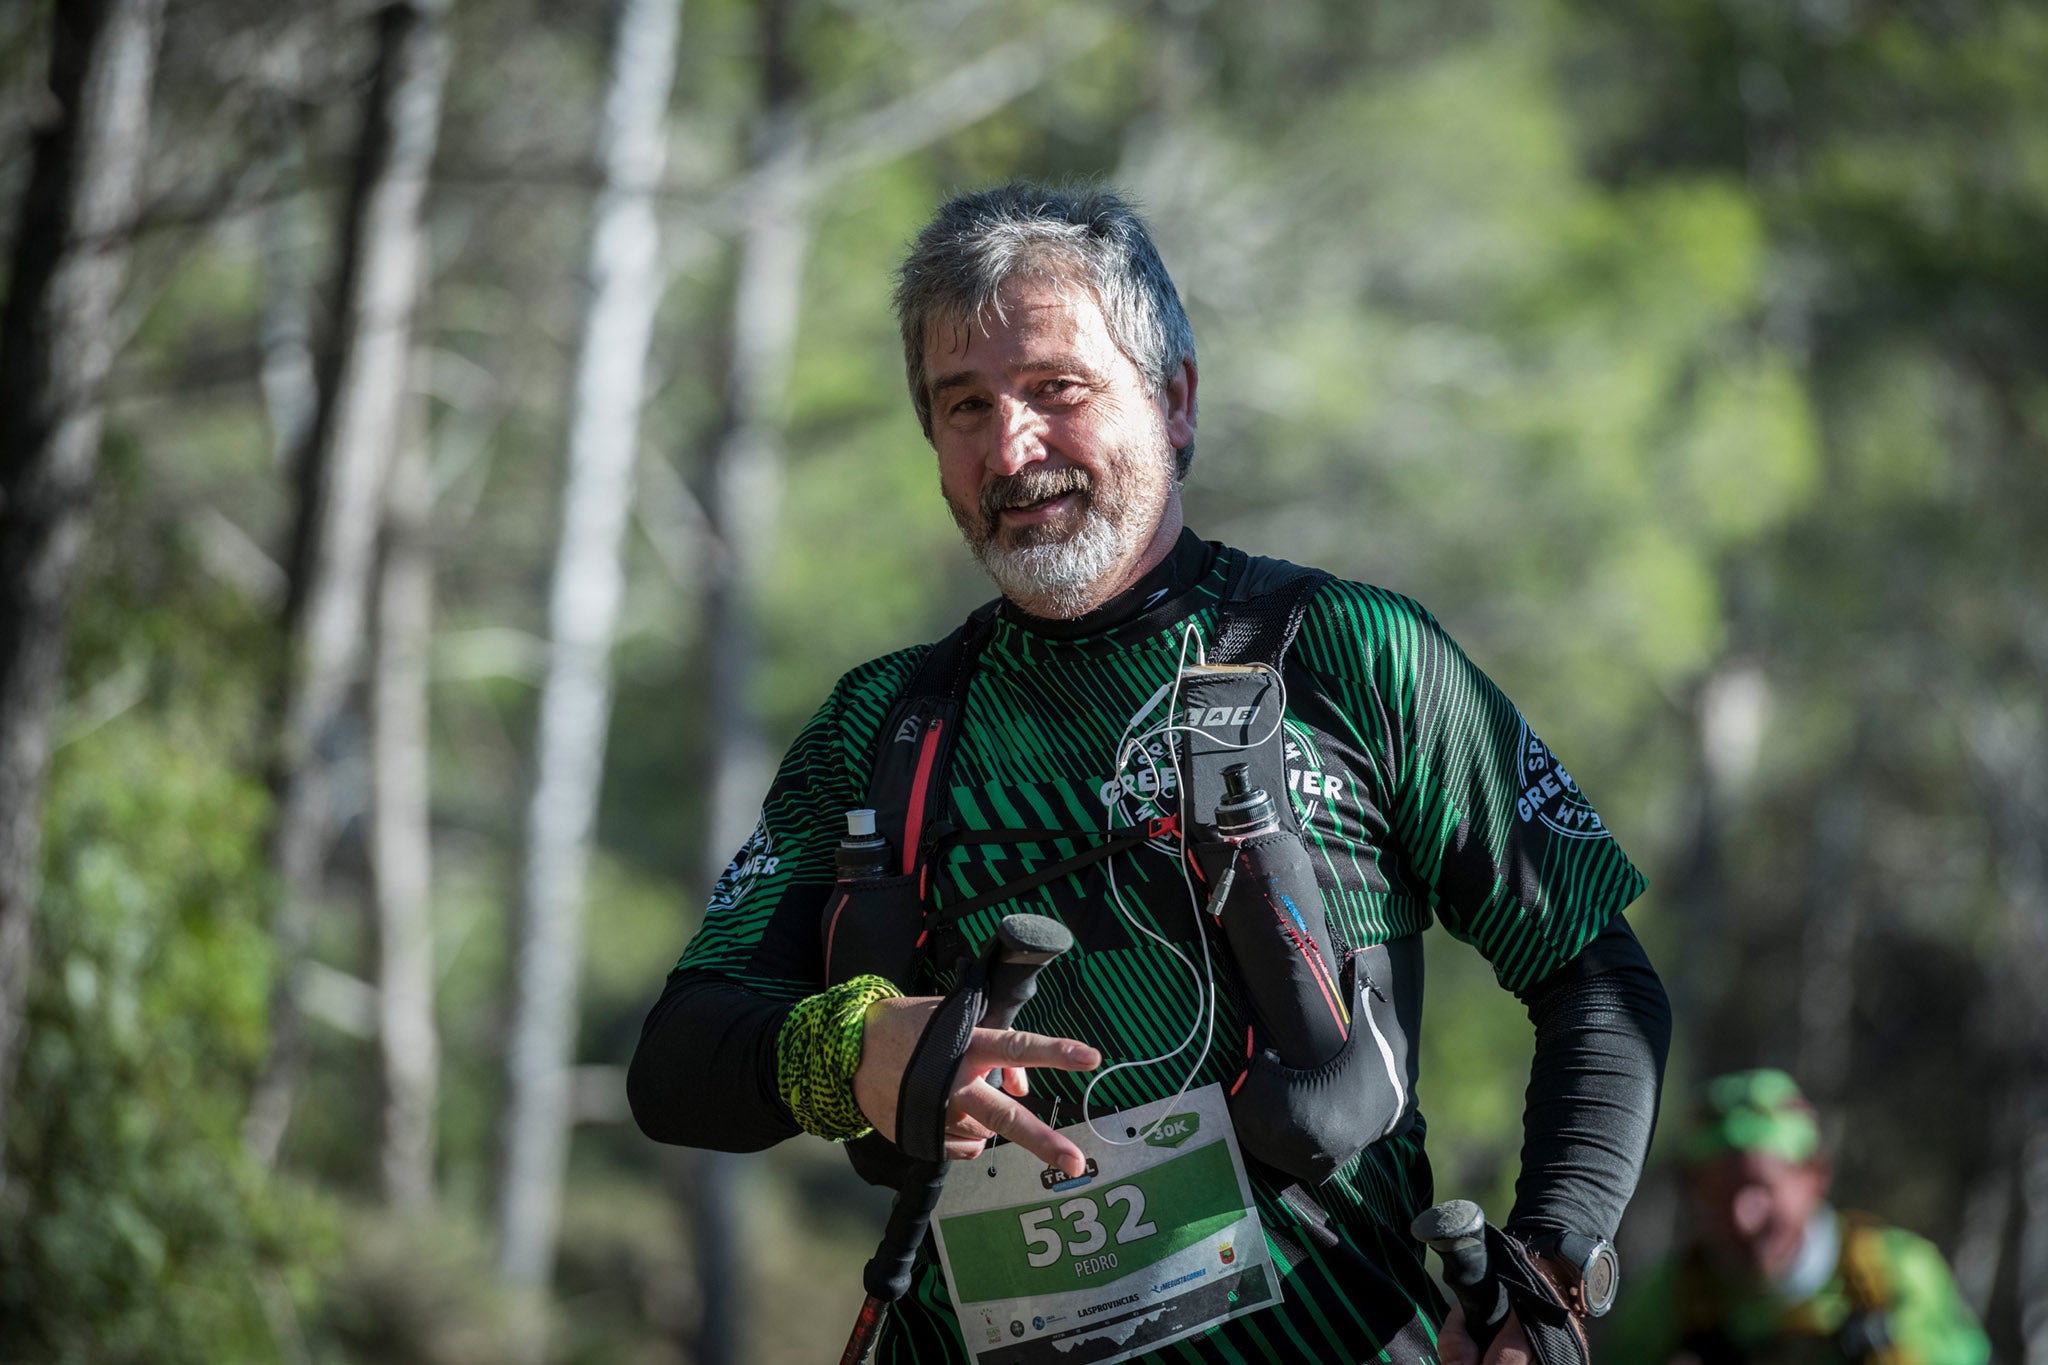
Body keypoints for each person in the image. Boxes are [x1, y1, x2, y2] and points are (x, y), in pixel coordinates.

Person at [629, 181, 1672, 1364]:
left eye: (1054, 390)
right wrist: (840, 1052)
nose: (1010, 448)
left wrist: (1549, 1266)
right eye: (962, 405)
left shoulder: (1353, 653)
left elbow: (1595, 982)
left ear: (1172, 400)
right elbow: (676, 1062)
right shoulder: (881, 722)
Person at [1602, 1069, 1991, 1365]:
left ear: (1815, 1177)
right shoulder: (1664, 1305)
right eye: (1718, 1195)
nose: (1743, 1217)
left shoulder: (1895, 1277)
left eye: (1762, 1188)